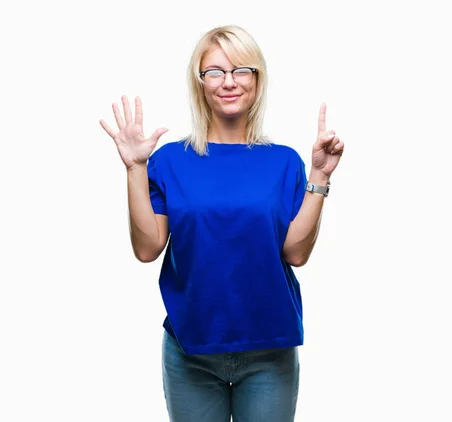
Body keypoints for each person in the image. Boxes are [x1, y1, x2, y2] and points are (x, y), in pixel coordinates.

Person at [99, 24, 344, 421]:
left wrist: (319, 176)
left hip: (269, 348)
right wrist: (135, 169)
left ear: (256, 79)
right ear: (200, 83)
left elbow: (296, 253)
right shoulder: (169, 160)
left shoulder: (284, 162)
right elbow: (147, 249)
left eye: (240, 70)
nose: (228, 82)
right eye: (215, 71)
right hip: (190, 349)